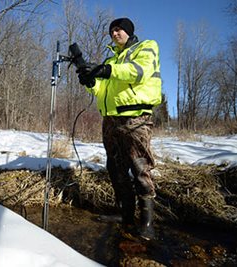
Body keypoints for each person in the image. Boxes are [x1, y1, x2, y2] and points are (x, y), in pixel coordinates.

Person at [76, 17, 162, 240]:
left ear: (129, 32)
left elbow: (138, 71)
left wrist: (106, 69)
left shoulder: (146, 47)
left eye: (119, 30)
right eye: (112, 31)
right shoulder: (111, 59)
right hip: (111, 121)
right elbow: (102, 91)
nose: (115, 34)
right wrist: (90, 80)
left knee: (140, 167)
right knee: (115, 169)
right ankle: (126, 216)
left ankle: (147, 223)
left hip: (136, 119)